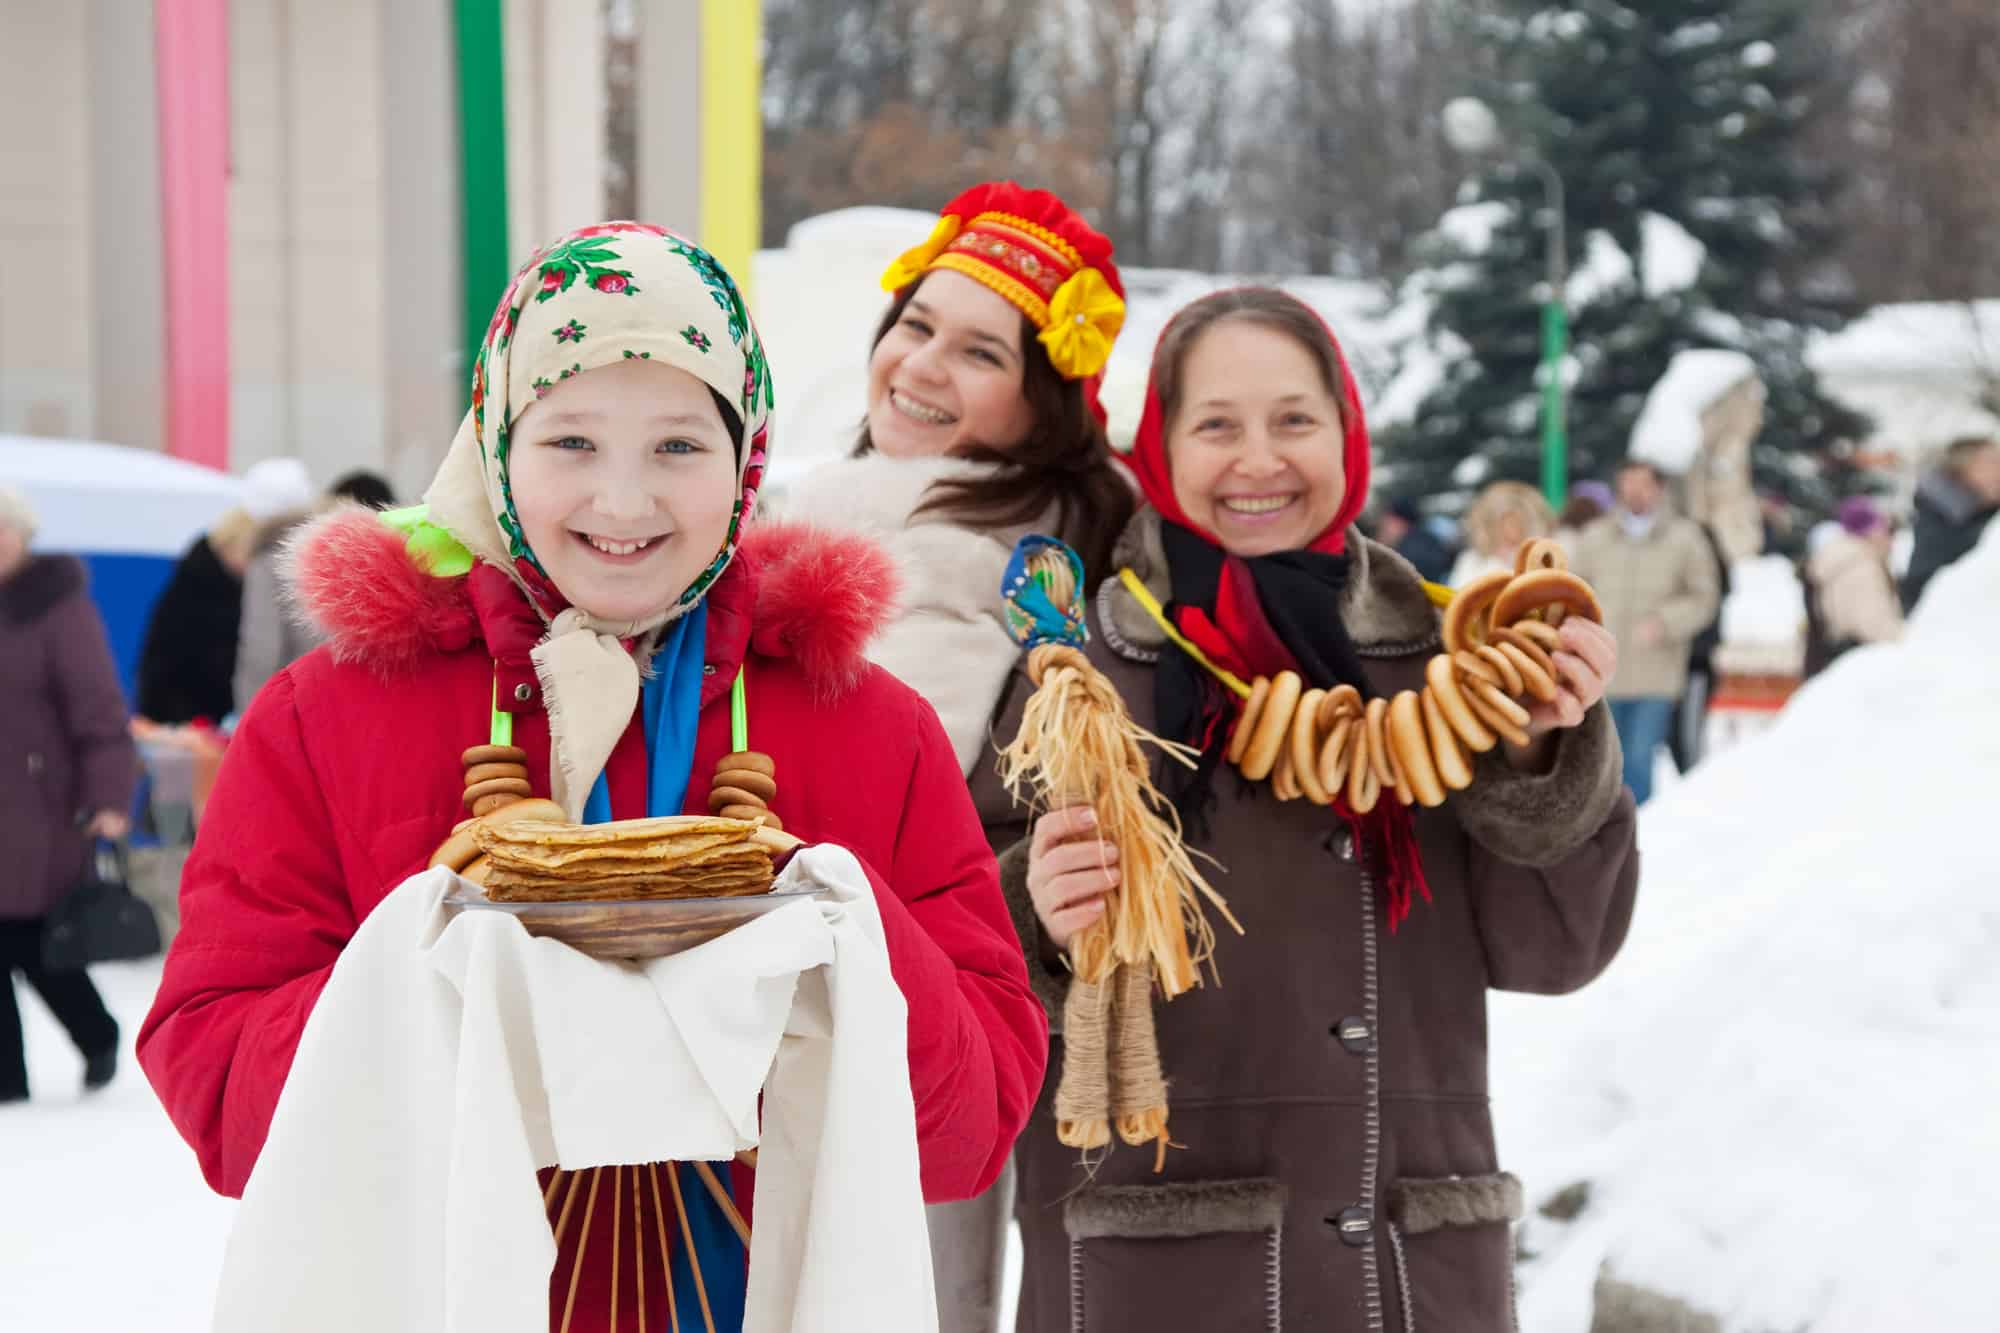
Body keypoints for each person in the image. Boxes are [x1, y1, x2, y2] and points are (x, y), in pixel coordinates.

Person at [137, 223, 1046, 1330]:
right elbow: (225, 1111)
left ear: (747, 455)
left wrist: (835, 938)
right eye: (570, 441)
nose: (623, 504)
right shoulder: (331, 716)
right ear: (496, 446)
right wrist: (438, 993)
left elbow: (970, 1128)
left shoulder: (865, 726)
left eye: (676, 446)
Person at [974, 288, 1638, 1332]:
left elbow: (1555, 950)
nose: (1258, 459)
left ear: (1345, 433)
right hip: (1158, 1266)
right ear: (1158, 443)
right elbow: (962, 952)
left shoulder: (1445, 659)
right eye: (1216, 425)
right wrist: (1033, 910)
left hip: (1403, 1266)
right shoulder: (1082, 666)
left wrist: (1538, 750)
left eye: (1293, 420)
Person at [770, 182, 1133, 1330]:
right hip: (755, 982)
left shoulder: (1051, 576)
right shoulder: (810, 511)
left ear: (1042, 407)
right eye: (914, 326)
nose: (920, 366)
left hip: (917, 1008)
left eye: (979, 352)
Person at [0, 485, 137, 1102]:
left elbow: (99, 711)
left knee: (34, 941)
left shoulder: (56, 606)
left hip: (37, 806)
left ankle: (97, 1034)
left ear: (22, 538)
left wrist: (109, 798)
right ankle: (7, 1086)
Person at [1567, 459, 1721, 805]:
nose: (1634, 491)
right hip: (1603, 671)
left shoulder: (1685, 538)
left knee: (1639, 758)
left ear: (1659, 488)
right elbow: (1573, 589)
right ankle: (1606, 832)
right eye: (1628, 482)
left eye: (1643, 483)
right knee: (1604, 760)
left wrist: (1665, 622)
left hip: (1656, 672)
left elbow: (1704, 597)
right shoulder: (1597, 536)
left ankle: (1639, 828)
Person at [136, 457, 315, 725]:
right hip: (298, 713)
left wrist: (249, 722)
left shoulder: (255, 559)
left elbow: (261, 652)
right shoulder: (305, 557)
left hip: (250, 717)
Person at [233, 469, 398, 712]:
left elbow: (262, 649)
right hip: (365, 708)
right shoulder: (385, 562)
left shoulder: (271, 560)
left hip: (299, 706)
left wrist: (250, 718)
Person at [1805, 495, 1904, 674]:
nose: (1891, 538)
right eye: (1886, 529)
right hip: (1862, 661)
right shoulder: (1860, 566)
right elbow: (1873, 624)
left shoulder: (1841, 559)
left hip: (1841, 657)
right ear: (1872, 530)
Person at [1901, 434, 2000, 611]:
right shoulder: (1940, 522)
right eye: (1991, 463)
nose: (1998, 470)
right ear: (1964, 470)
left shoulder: (1982, 510)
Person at [1447, 479, 1556, 587]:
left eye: (1517, 522)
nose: (1511, 529)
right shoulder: (1472, 562)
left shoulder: (1539, 562)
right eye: (1507, 522)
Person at [1372, 496, 1455, 584]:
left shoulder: (1408, 553)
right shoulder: (1428, 541)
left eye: (1388, 521)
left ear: (1400, 521)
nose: (1383, 526)